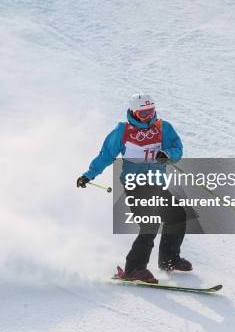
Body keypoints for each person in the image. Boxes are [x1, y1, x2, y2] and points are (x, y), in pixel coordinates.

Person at [77, 93, 190, 283]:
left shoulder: (164, 128)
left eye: (151, 112)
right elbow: (106, 155)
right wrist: (89, 174)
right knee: (150, 223)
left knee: (177, 216)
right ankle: (134, 268)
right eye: (143, 113)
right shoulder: (123, 131)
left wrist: (167, 154)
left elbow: (177, 149)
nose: (148, 116)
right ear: (134, 112)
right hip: (135, 184)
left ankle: (169, 259)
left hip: (156, 183)